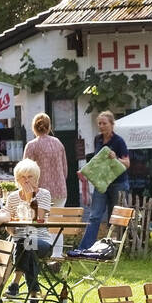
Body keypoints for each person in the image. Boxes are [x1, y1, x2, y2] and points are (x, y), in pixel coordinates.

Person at [76, 110, 130, 252]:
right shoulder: (97, 140)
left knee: (116, 217)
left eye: (104, 123)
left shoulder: (119, 141)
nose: (101, 126)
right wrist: (86, 172)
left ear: (112, 124)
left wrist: (115, 157)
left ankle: (120, 248)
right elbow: (97, 161)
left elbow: (127, 163)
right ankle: (85, 248)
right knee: (94, 215)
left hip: (118, 183)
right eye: (99, 123)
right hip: (102, 184)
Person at [3, 158, 52, 303]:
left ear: (36, 178)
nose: (26, 180)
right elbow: (9, 226)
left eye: (30, 177)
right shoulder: (12, 197)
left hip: (43, 242)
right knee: (26, 244)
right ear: (17, 179)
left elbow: (38, 220)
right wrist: (12, 229)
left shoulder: (44, 194)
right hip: (20, 243)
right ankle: (33, 293)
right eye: (23, 177)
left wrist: (30, 198)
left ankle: (15, 282)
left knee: (27, 242)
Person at [23, 113, 69, 260]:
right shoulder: (58, 143)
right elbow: (65, 169)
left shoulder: (32, 146)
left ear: (34, 128)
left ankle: (35, 255)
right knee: (56, 222)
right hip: (60, 189)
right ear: (49, 127)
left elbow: (25, 171)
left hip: (39, 191)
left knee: (35, 222)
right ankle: (56, 256)